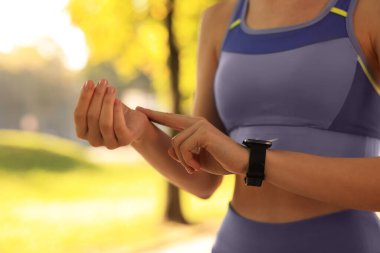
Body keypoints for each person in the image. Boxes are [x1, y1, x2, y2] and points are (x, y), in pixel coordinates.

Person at [74, 0, 380, 252]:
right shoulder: (219, 19)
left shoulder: (367, 11)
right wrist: (140, 133)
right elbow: (203, 177)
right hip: (237, 243)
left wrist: (253, 162)